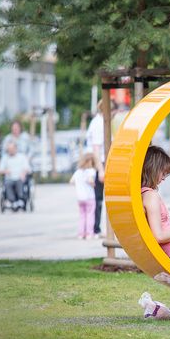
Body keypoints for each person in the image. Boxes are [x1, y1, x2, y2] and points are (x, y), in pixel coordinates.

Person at [86, 100, 107, 238]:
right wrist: (100, 170)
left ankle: (94, 228)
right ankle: (95, 229)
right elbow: (96, 148)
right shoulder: (100, 123)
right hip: (97, 164)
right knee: (97, 199)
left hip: (95, 164)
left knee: (96, 199)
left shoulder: (96, 122)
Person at [70, 153, 98, 239]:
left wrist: (79, 185)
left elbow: (71, 181)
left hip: (80, 198)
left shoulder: (77, 172)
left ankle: (81, 234)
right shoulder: (91, 171)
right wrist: (93, 184)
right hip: (89, 197)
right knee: (90, 215)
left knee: (82, 216)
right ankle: (89, 233)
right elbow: (90, 180)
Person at [0, 141, 31, 211]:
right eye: (9, 149)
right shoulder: (5, 158)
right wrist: (6, 171)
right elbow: (0, 170)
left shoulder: (22, 157)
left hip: (20, 177)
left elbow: (27, 168)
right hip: (9, 178)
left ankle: (21, 199)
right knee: (7, 184)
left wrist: (23, 173)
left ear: (16, 149)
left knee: (20, 182)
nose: (10, 151)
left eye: (12, 149)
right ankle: (12, 201)